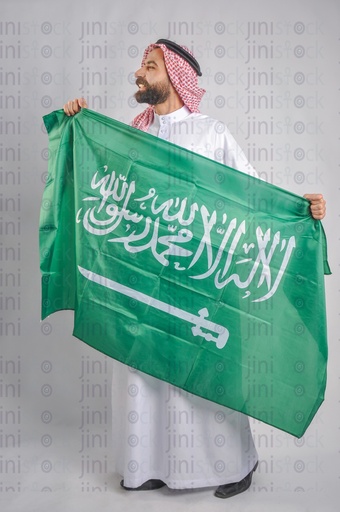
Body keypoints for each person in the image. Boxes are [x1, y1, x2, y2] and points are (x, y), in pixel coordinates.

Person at [64, 39, 326, 499]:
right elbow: (102, 186)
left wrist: (299, 209)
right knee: (141, 367)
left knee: (205, 370)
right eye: (141, 65)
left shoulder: (210, 133)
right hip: (143, 275)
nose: (138, 74)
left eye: (149, 66)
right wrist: (77, 126)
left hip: (202, 281)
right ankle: (146, 465)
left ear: (177, 76)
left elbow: (252, 195)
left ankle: (233, 466)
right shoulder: (135, 136)